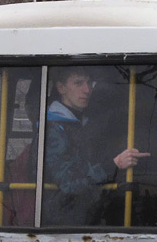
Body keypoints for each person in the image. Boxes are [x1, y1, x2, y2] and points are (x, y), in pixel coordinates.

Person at [43, 67, 150, 225]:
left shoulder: (88, 122)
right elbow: (69, 183)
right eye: (78, 83)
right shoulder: (52, 129)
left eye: (89, 83)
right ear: (61, 88)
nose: (87, 90)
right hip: (62, 221)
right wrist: (114, 165)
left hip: (89, 214)